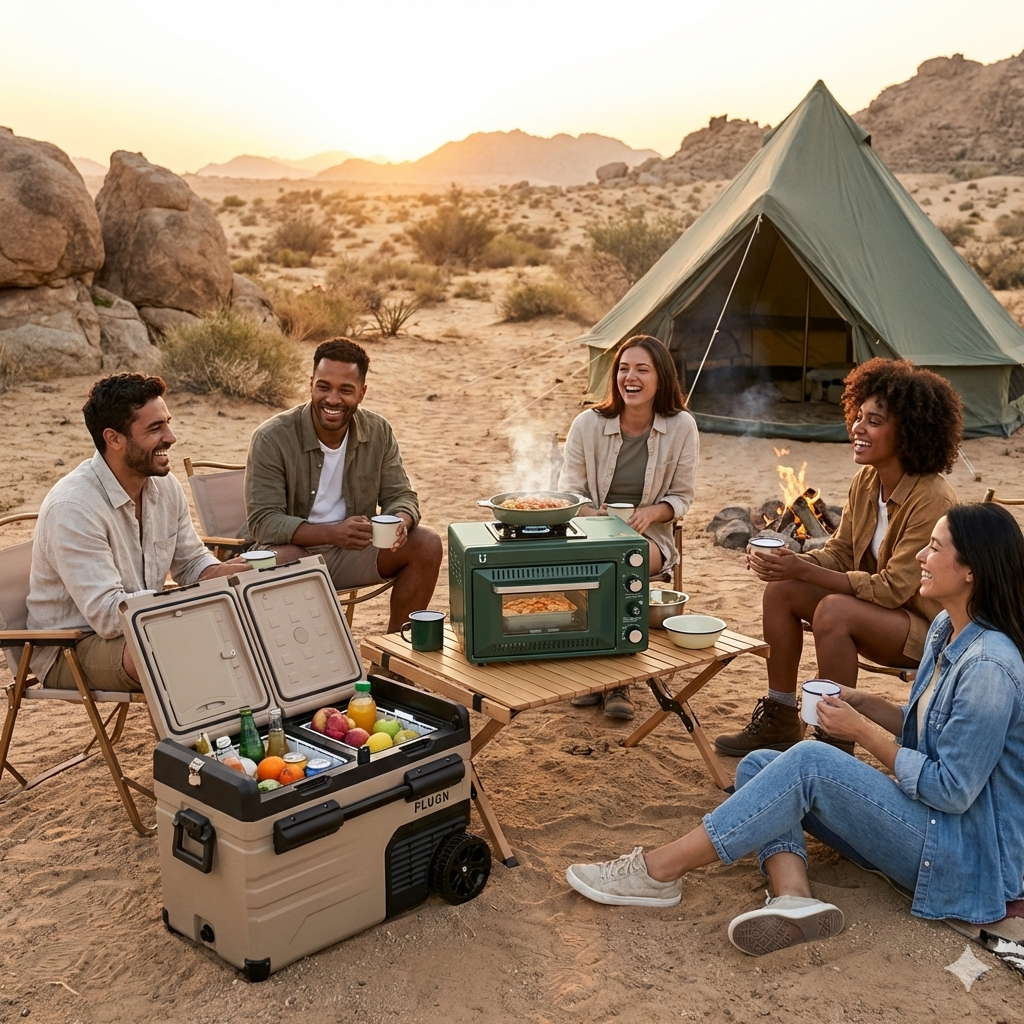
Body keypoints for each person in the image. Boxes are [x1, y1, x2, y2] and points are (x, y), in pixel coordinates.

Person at [567, 503, 1024, 957]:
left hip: (961, 858)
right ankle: (794, 896)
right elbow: (927, 732)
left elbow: (951, 791)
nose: (921, 557)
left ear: (971, 571)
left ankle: (658, 871)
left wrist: (860, 730)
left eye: (934, 548)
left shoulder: (988, 666)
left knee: (810, 760)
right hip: (930, 827)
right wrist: (862, 701)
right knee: (761, 765)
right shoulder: (947, 628)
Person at [716, 358, 962, 757]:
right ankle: (780, 716)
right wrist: (786, 564)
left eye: (874, 421)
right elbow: (841, 553)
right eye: (858, 416)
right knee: (782, 590)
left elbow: (893, 589)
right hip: (879, 614)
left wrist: (801, 566)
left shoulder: (931, 497)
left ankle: (835, 743)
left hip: (925, 630)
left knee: (834, 610)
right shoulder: (867, 481)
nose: (857, 429)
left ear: (909, 431)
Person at [26, 374, 250, 692]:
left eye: (167, 424)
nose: (171, 437)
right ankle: (200, 738)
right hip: (71, 648)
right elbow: (107, 615)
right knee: (174, 643)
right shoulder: (73, 507)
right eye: (155, 428)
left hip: (145, 625)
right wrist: (185, 602)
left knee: (247, 611)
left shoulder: (164, 484)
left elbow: (190, 563)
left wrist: (226, 573)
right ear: (114, 439)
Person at [245, 337, 442, 633]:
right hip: (292, 552)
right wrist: (334, 533)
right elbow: (263, 522)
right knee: (291, 561)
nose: (333, 400)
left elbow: (401, 494)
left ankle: (391, 662)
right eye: (324, 386)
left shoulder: (378, 431)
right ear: (311, 383)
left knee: (427, 544)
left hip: (356, 552)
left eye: (345, 390)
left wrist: (401, 521)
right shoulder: (272, 437)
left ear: (361, 393)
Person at [559, 334, 699, 720]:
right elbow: (568, 492)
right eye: (623, 368)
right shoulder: (587, 424)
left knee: (624, 561)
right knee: (589, 558)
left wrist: (652, 513)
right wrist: (595, 515)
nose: (630, 377)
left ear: (660, 378)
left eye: (641, 369)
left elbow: (683, 497)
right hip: (591, 528)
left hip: (648, 534)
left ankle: (617, 681)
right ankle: (596, 669)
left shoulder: (681, 426)